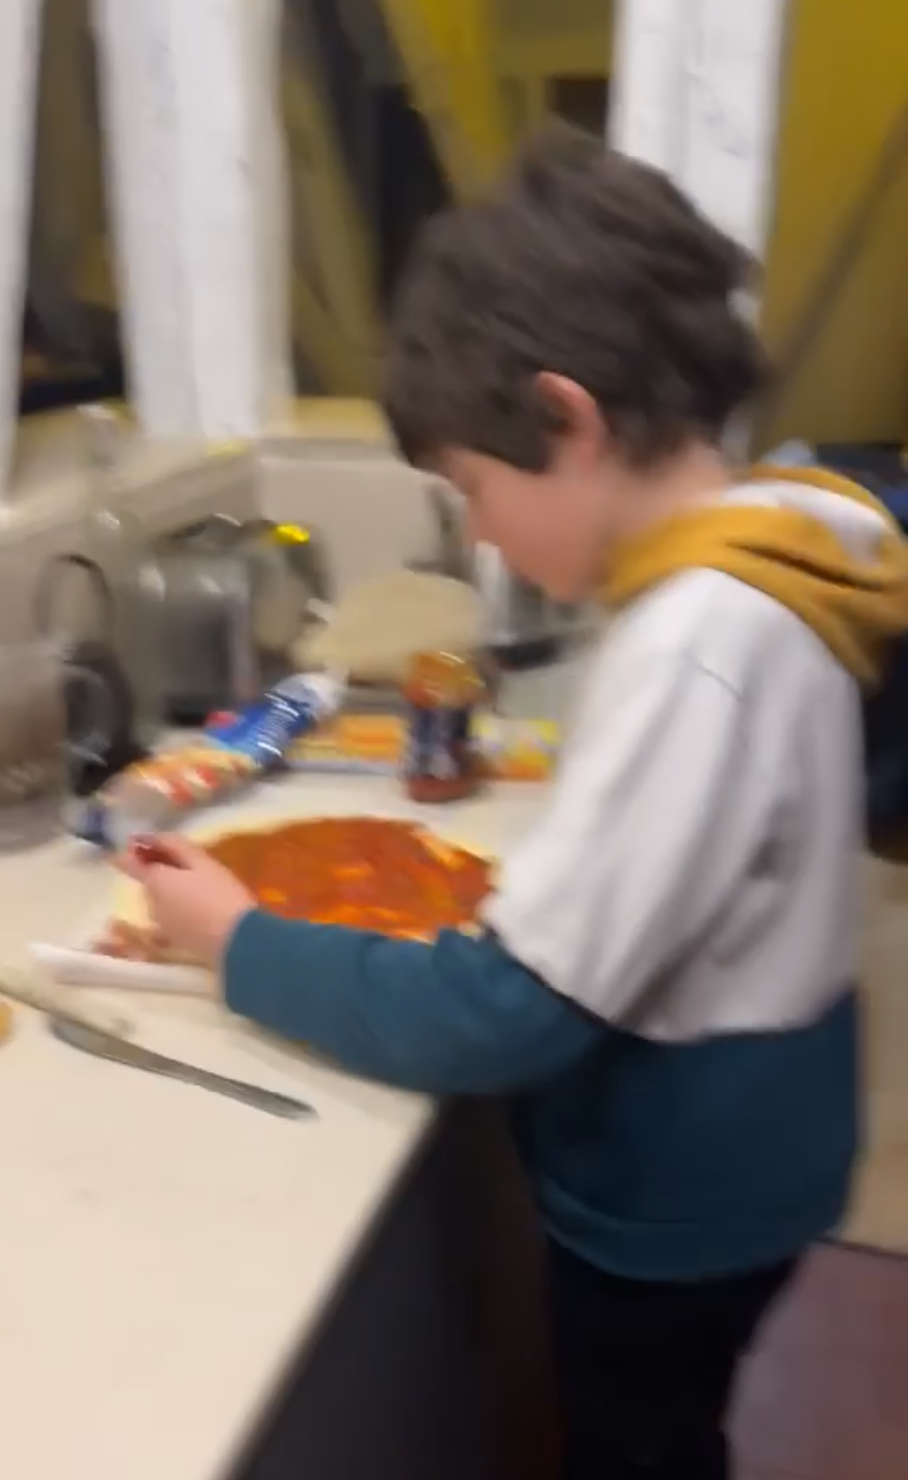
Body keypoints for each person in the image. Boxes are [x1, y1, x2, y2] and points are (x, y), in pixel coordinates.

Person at [121, 125, 908, 1479]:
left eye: (472, 490)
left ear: (566, 418)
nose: (477, 534)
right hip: (767, 1140)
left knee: (639, 1445)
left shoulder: (694, 641)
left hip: (673, 1196)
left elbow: (501, 1010)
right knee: (671, 1423)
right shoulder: (787, 538)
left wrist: (238, 943)